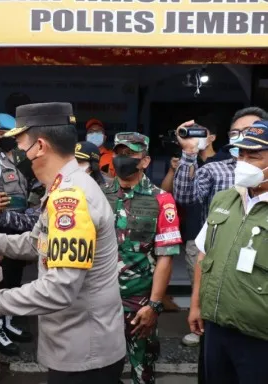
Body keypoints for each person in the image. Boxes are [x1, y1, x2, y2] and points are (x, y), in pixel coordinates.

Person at [0, 102, 126, 384]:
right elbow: (35, 244)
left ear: (39, 146)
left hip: (84, 356)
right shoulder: (62, 187)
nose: (17, 150)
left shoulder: (71, 199)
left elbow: (58, 290)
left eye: (19, 141)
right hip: (78, 346)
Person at [173, 107, 267, 381]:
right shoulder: (225, 199)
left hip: (259, 336)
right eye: (242, 153)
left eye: (255, 155)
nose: (244, 161)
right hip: (216, 327)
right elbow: (204, 254)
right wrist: (196, 305)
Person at [102, 132, 181, 384]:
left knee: (142, 371)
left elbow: (166, 258)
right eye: (119, 154)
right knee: (100, 369)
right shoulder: (98, 196)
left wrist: (154, 305)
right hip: (99, 300)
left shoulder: (161, 200)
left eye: (130, 155)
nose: (122, 159)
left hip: (139, 302)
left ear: (145, 161)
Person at [160, 118, 227, 347]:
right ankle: (201, 328)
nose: (195, 138)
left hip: (222, 240)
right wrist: (177, 166)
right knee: (197, 285)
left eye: (201, 132)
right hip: (195, 235)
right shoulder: (188, 161)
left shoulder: (228, 163)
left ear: (213, 137)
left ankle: (216, 333)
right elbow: (175, 195)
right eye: (192, 133)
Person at [0, 113, 32, 354]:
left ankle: (9, 323)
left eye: (11, 135)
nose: (7, 139)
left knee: (14, 281)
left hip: (20, 229)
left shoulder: (21, 159)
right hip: (2, 230)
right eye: (2, 135)